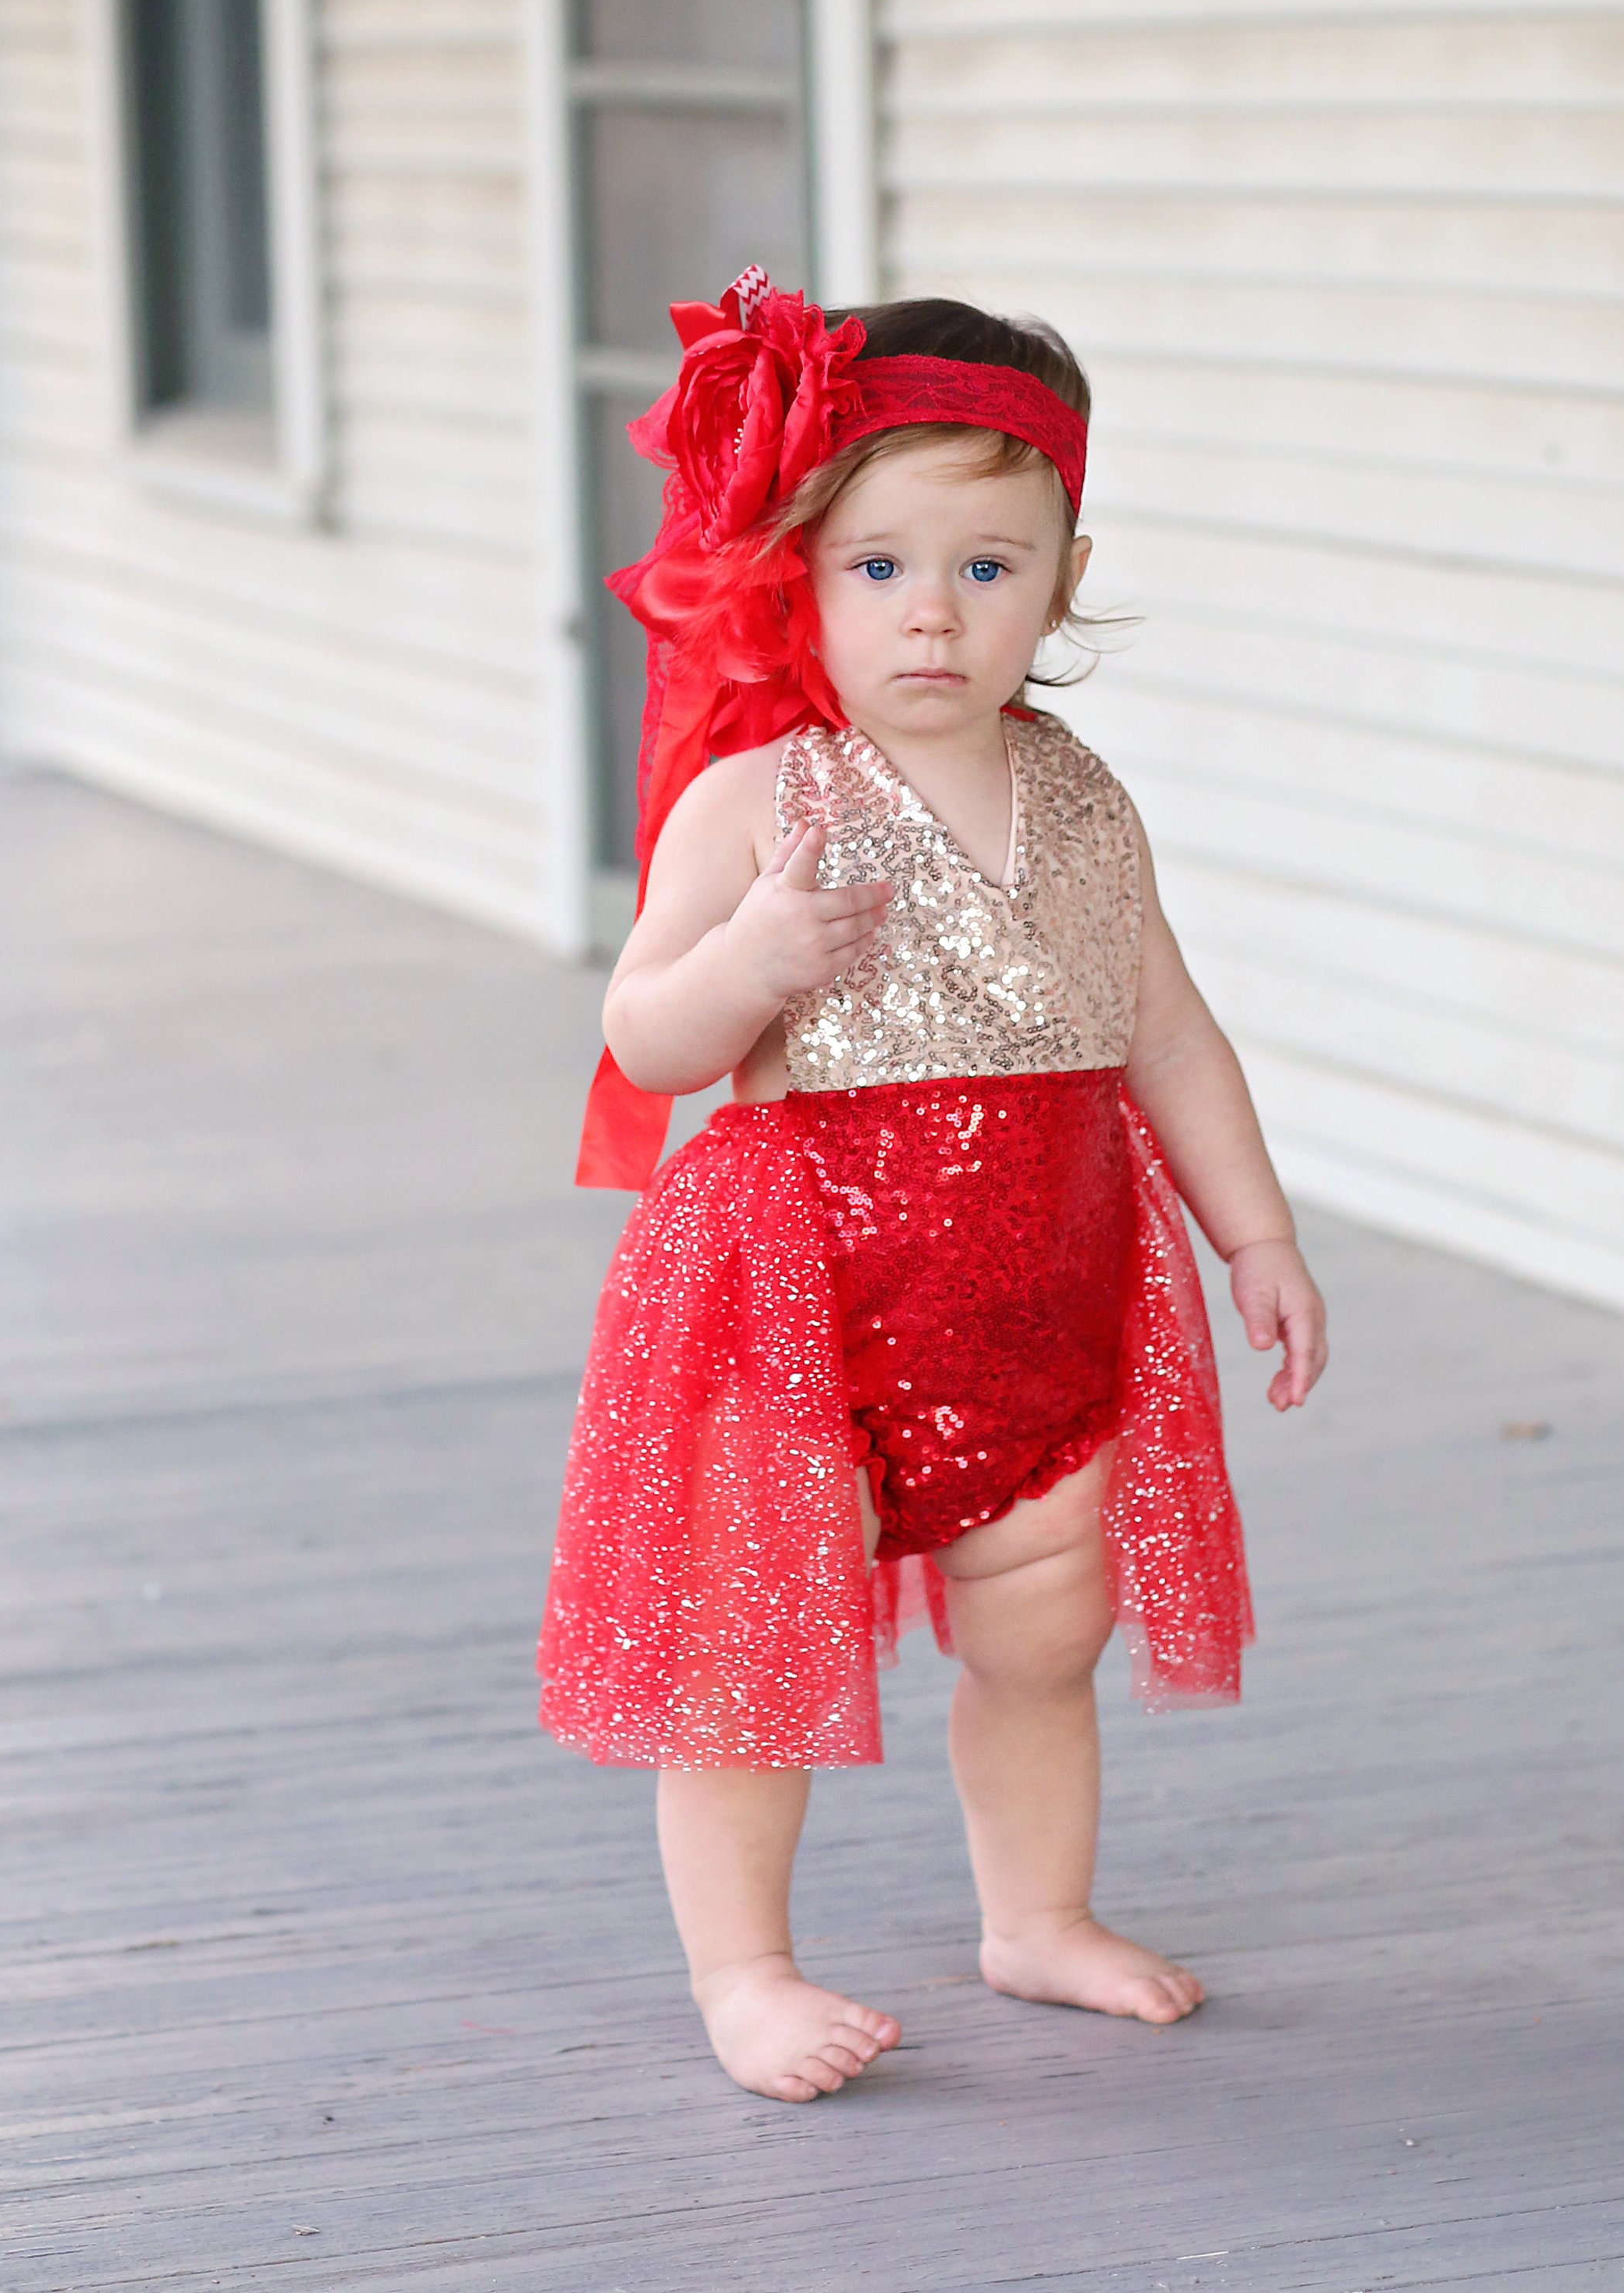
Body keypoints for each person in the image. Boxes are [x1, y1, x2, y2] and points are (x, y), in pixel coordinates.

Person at [538, 269, 1327, 2105]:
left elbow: (1172, 1033)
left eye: (991, 566)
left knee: (1047, 1626)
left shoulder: (1083, 800)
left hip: (1038, 1286)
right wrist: (752, 964)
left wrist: (1256, 1235)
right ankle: (746, 1972)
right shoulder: (757, 803)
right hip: (796, 1294)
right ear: (801, 572)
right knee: (760, 1642)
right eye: (882, 564)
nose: (936, 614)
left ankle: (1033, 1917)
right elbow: (647, 1038)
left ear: (1060, 575)